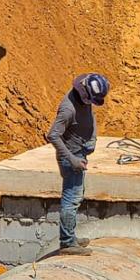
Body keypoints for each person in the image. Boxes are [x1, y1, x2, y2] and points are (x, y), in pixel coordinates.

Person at [46, 73, 109, 254]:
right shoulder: (68, 109)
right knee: (71, 200)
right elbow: (53, 135)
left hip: (79, 153)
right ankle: (67, 243)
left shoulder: (85, 93)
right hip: (71, 158)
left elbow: (90, 112)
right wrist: (72, 159)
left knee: (76, 196)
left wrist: (91, 138)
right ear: (84, 93)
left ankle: (71, 237)